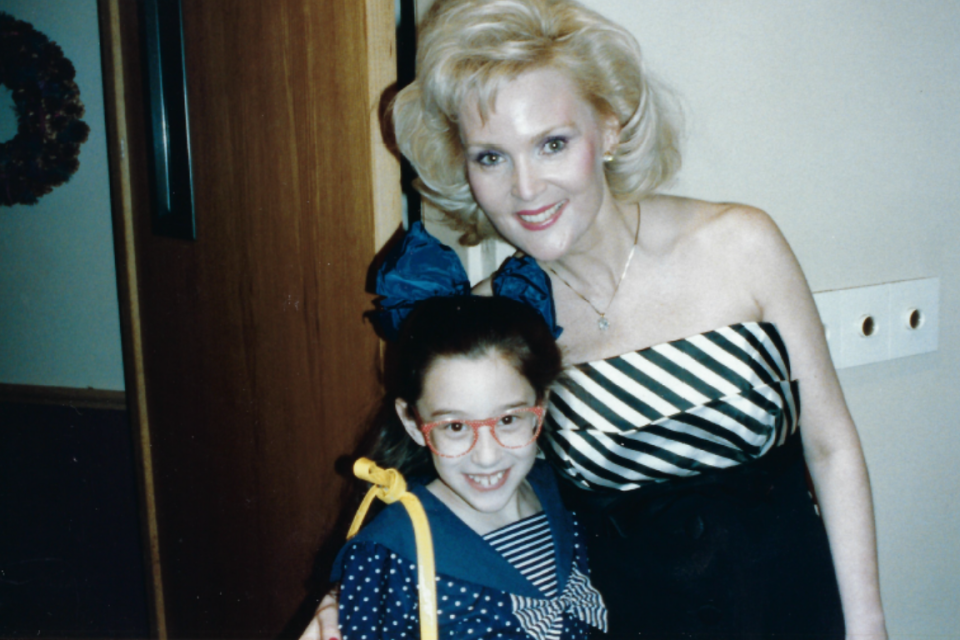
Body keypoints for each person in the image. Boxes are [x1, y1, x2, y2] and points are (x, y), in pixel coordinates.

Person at [302, 0, 887, 637]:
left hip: (796, 611)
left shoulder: (741, 244)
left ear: (608, 127)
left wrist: (868, 624)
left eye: (552, 144)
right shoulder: (503, 317)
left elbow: (831, 447)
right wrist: (361, 587)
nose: (526, 189)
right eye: (491, 157)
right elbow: (454, 466)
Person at [331, 289, 607, 639]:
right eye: (456, 427)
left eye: (508, 419)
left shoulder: (560, 494)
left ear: (542, 405)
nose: (487, 456)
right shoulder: (390, 553)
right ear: (414, 423)